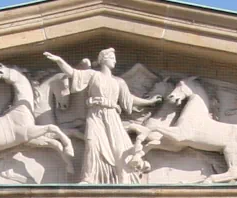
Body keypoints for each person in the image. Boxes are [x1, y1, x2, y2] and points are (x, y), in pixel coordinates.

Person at [44, 48, 162, 184]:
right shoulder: (93, 75)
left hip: (112, 116)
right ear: (103, 59)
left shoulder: (119, 81)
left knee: (118, 146)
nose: (115, 60)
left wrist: (150, 102)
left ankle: (123, 177)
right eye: (111, 57)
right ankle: (89, 178)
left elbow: (129, 99)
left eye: (114, 58)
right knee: (92, 142)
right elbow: (72, 73)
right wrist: (59, 60)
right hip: (95, 114)